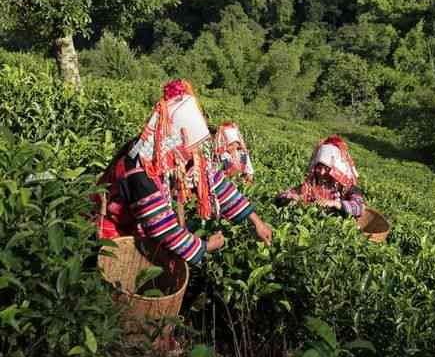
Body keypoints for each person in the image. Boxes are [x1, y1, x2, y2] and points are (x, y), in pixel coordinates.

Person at [96, 80, 272, 266]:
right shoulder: (139, 169)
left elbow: (215, 183)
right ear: (171, 145)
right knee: (119, 271)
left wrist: (256, 222)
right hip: (115, 228)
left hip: (141, 225)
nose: (194, 155)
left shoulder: (180, 156)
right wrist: (205, 247)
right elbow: (161, 227)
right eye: (190, 149)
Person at [276, 135, 365, 217]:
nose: (321, 172)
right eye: (319, 167)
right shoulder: (311, 184)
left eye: (327, 168)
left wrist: (335, 203)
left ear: (336, 170)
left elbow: (360, 208)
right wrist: (289, 198)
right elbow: (285, 195)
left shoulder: (347, 187)